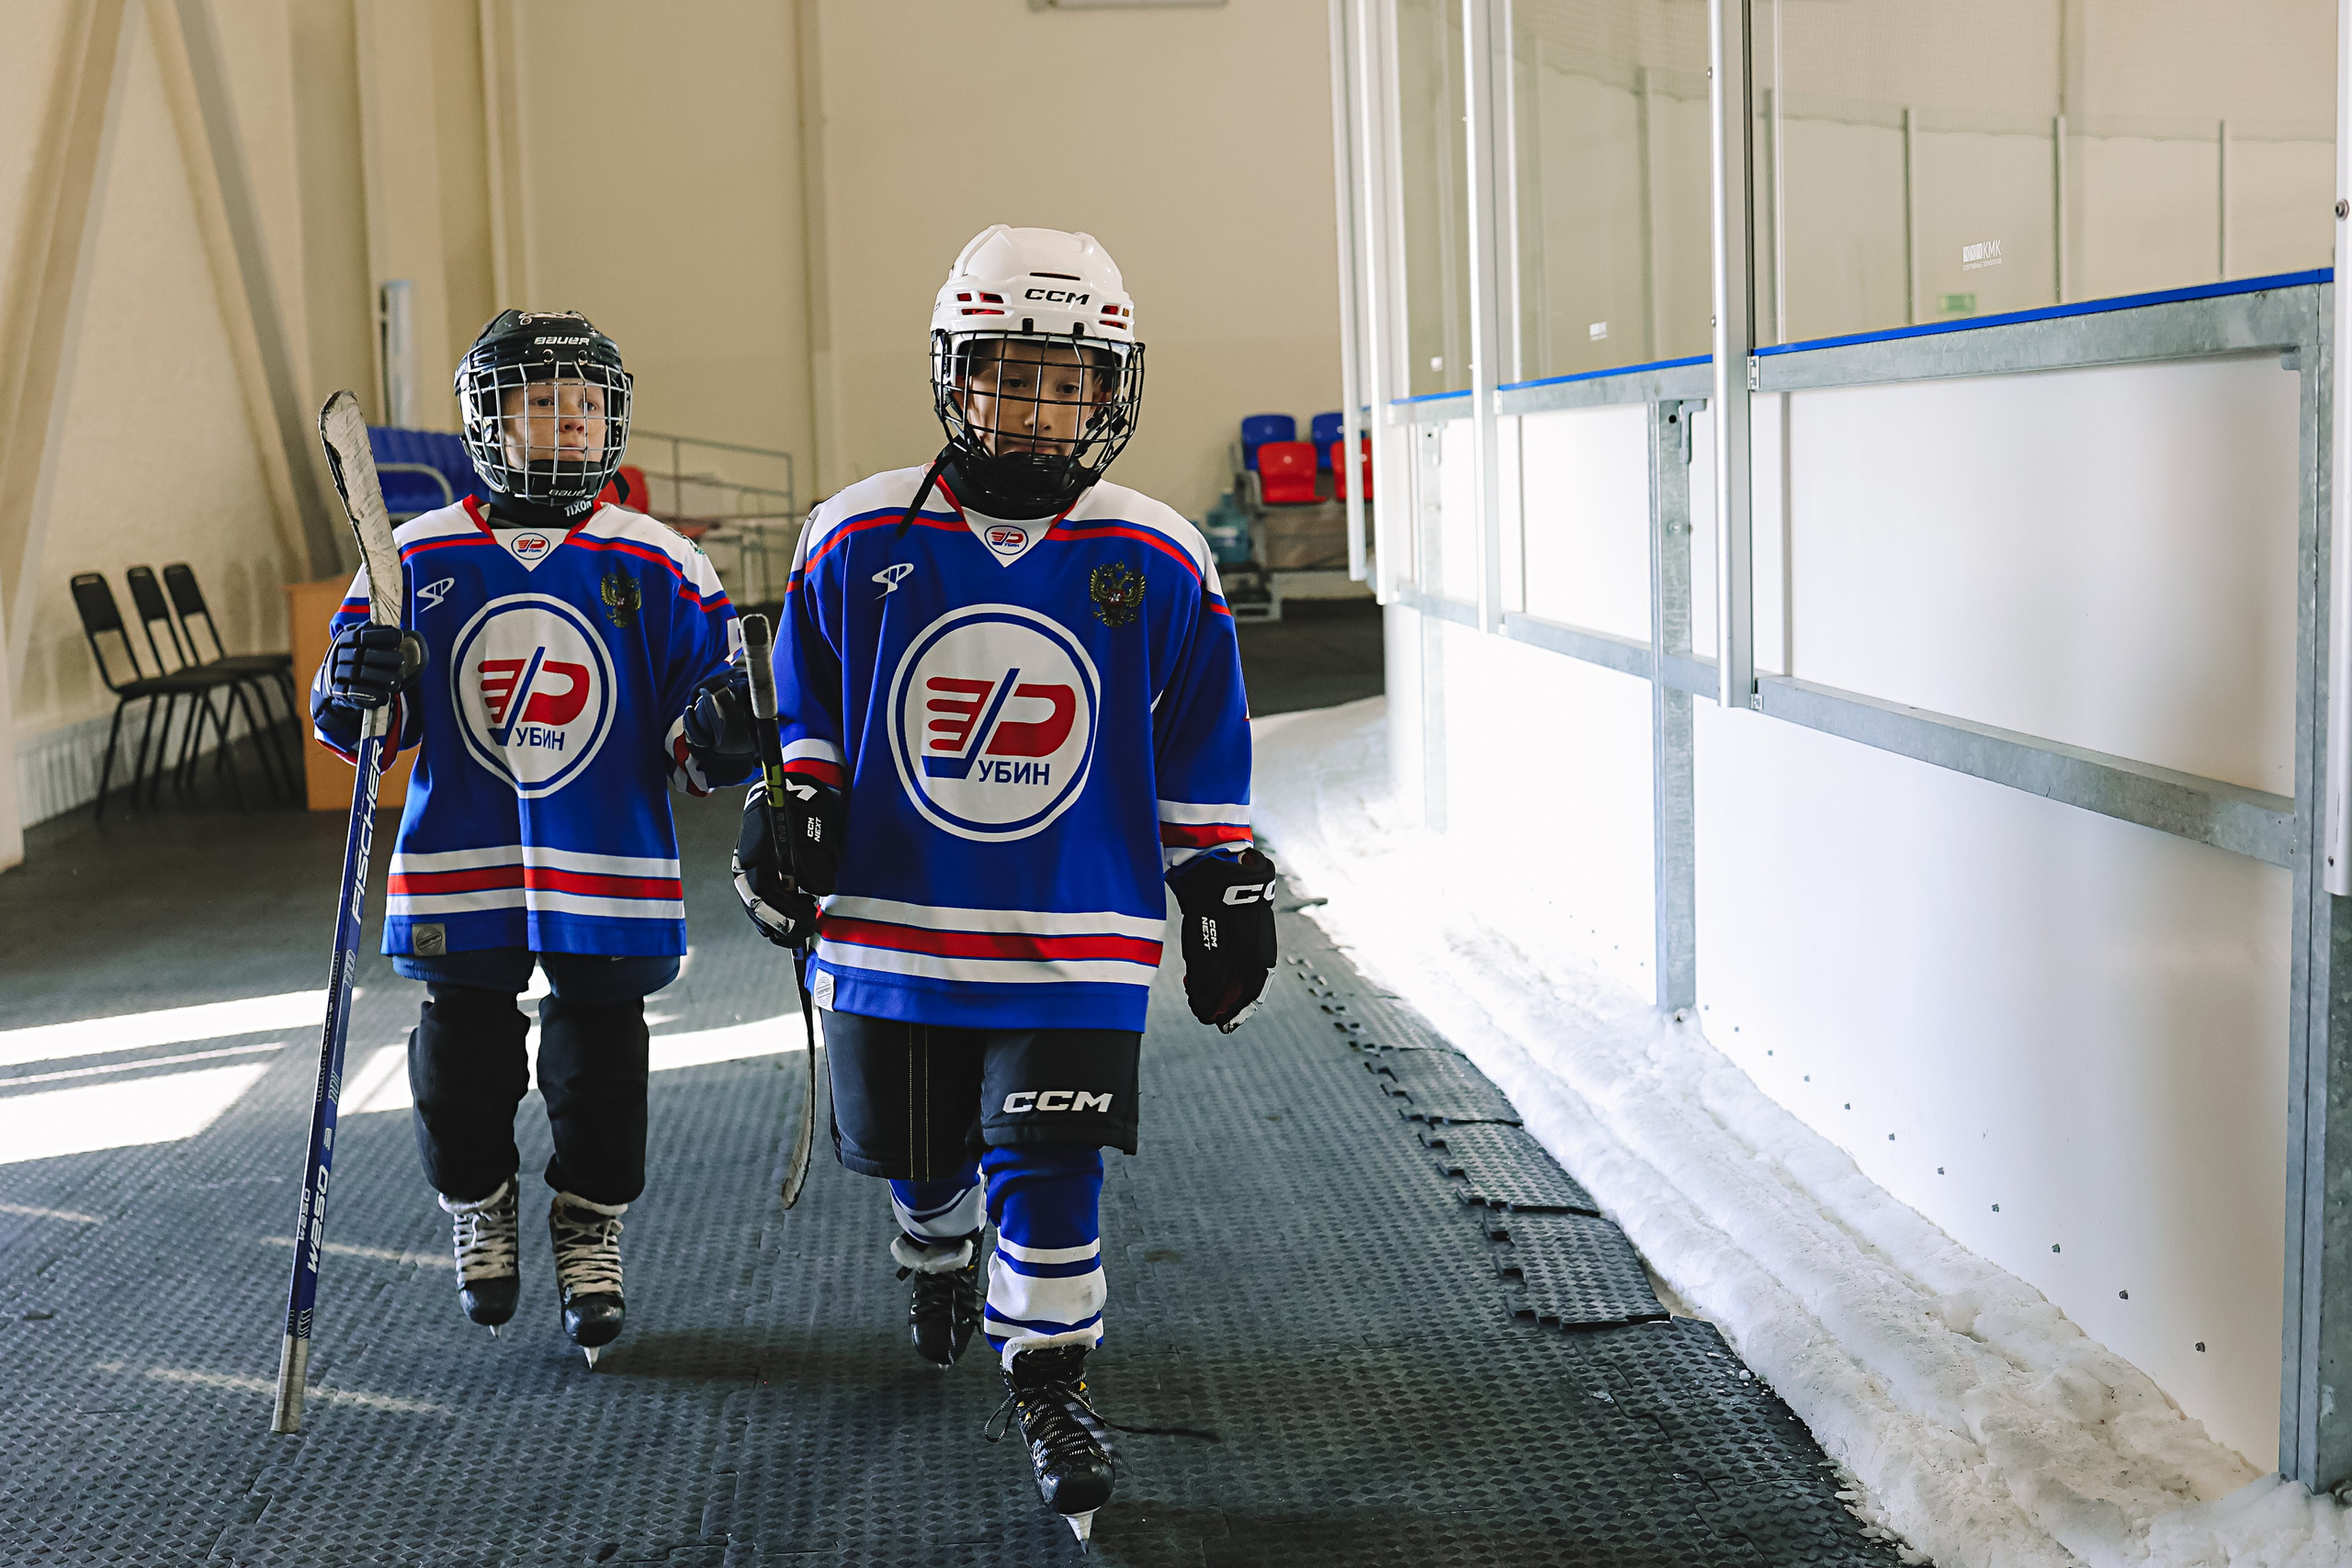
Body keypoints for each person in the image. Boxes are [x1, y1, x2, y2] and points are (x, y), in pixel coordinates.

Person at [732, 226, 1279, 1541]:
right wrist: (789, 801)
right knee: (920, 1161)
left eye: (1065, 380)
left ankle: (1050, 1377)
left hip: (1076, 937)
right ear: (954, 375)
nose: (1035, 409)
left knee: (1051, 1157)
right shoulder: (856, 534)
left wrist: (1219, 876)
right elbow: (808, 713)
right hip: (893, 930)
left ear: (1108, 389)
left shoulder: (1157, 555)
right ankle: (931, 1237)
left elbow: (1198, 740)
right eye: (1008, 374)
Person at [312, 310, 759, 1365]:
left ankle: (589, 1218)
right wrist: (355, 684)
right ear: (489, 421)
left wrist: (725, 729)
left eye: (587, 403)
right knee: (458, 1063)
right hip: (459, 861)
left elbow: (698, 739)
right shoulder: (414, 555)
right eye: (541, 402)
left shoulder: (661, 561)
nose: (568, 422)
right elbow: (362, 727)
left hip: (606, 861)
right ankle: (479, 1198)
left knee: (602, 1062)